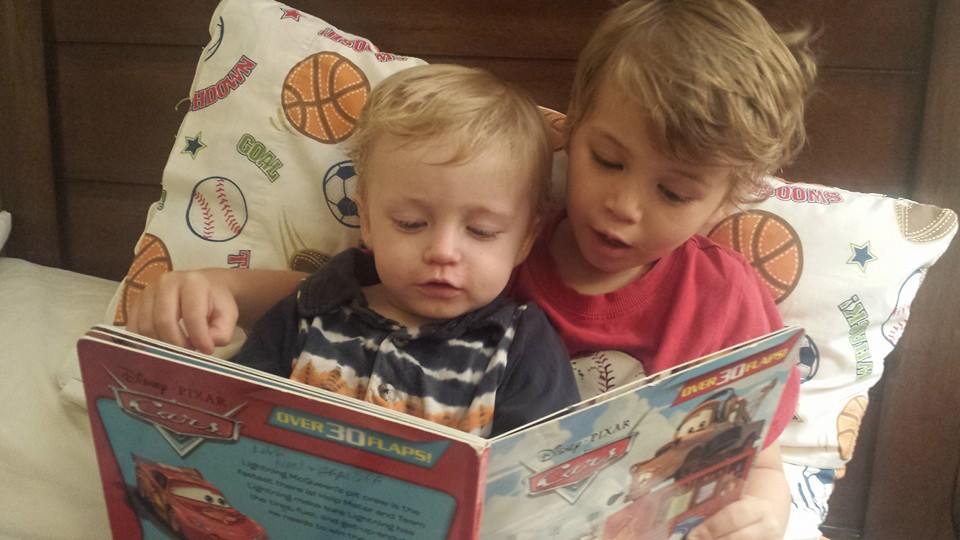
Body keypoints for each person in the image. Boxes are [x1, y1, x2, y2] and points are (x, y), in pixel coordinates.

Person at [129, 1, 815, 537]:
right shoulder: (493, 228)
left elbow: (760, 453)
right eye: (606, 158)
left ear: (730, 198)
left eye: (674, 193)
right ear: (571, 128)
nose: (624, 206)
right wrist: (222, 286)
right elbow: (349, 298)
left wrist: (764, 509)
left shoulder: (726, 301)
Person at [202, 63, 578, 438]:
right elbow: (232, 419)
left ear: (526, 240)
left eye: (482, 231)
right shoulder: (314, 307)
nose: (443, 252)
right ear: (366, 221)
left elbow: (539, 474)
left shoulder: (521, 346)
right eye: (411, 223)